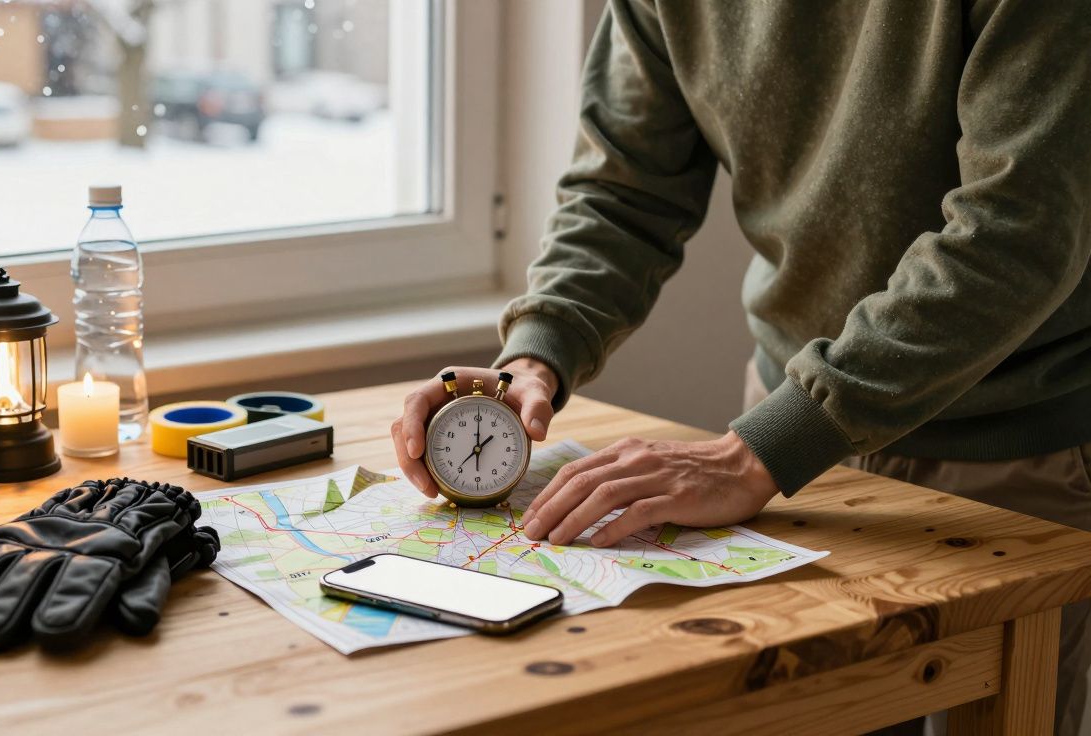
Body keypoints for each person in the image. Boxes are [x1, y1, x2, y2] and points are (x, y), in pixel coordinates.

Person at [390, 2, 1091, 733]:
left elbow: (1020, 229)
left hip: (1005, 446)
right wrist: (537, 355)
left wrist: (758, 451)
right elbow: (623, 192)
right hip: (791, 433)